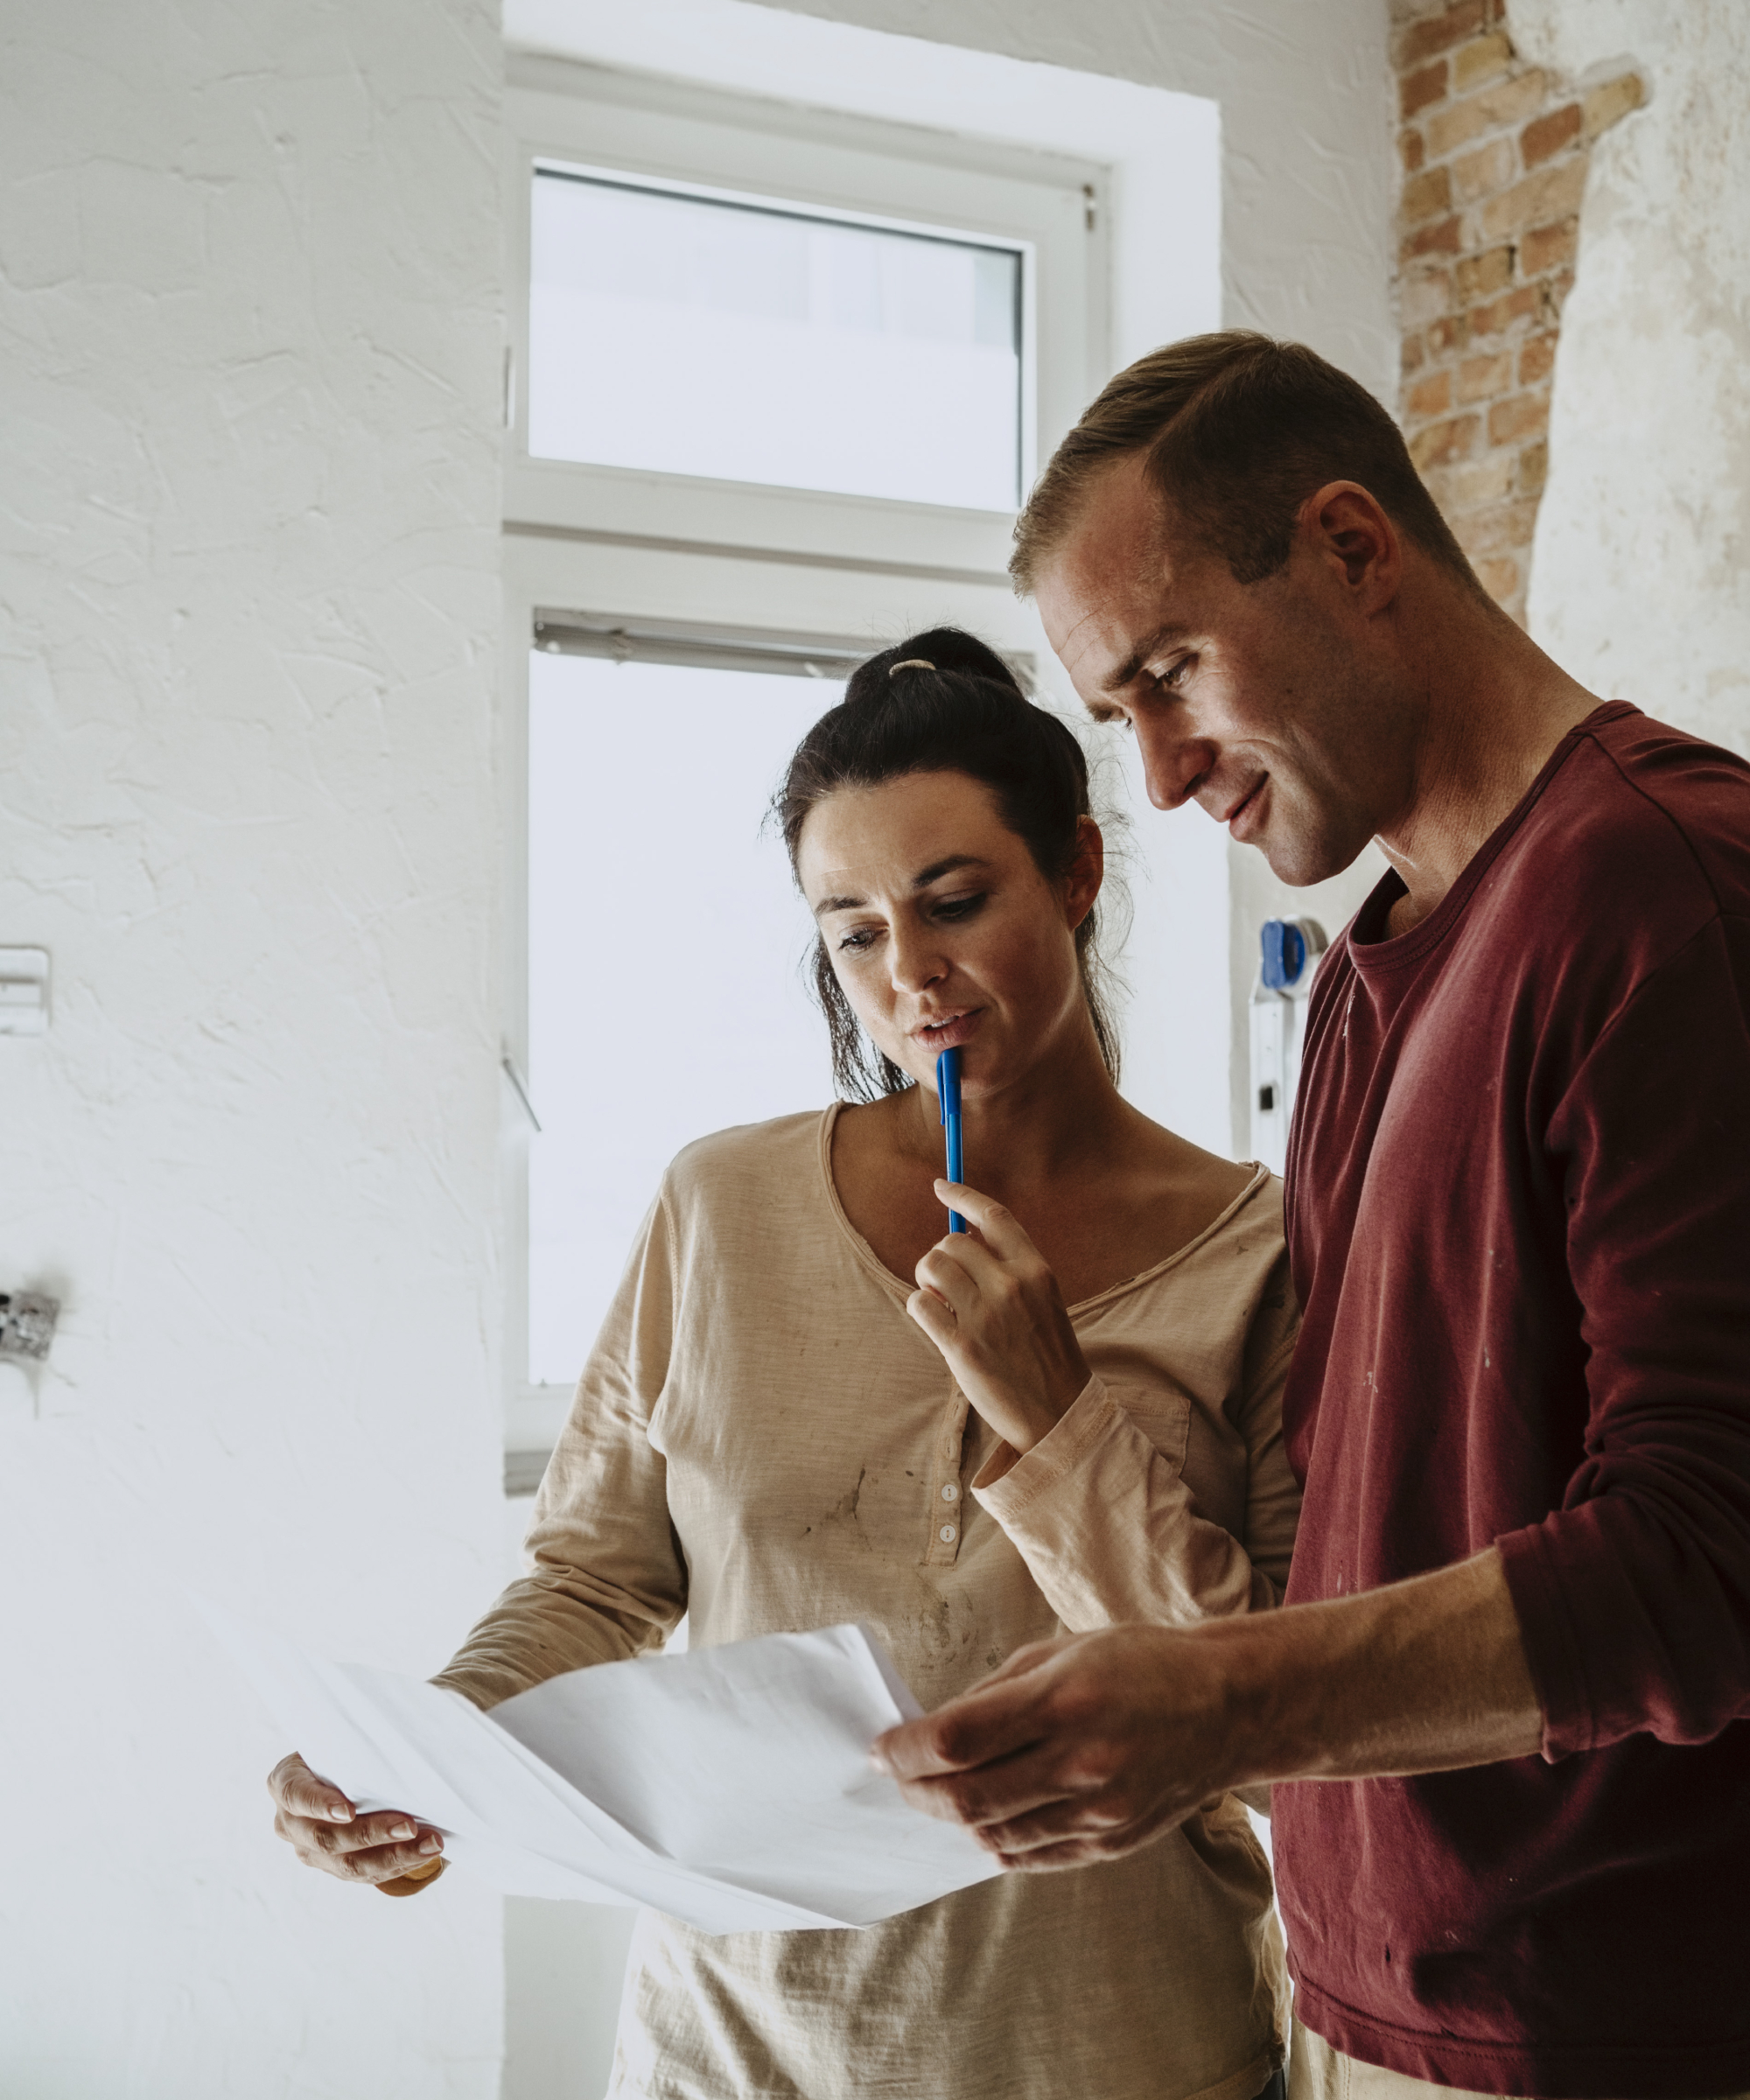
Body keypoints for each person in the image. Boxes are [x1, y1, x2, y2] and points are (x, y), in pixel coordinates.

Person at [872, 334, 1750, 2100]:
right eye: (1120, 720)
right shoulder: (1354, 987)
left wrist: (1227, 1705)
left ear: (1353, 550)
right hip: (1362, 2008)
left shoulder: (1669, 889)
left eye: (1171, 677)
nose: (1170, 776)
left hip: (1616, 2036)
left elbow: (1710, 1555)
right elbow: (1360, 1563)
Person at [267, 628, 1306, 2100]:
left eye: (955, 901)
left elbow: (1281, 1735)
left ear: (1077, 871)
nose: (913, 978)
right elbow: (596, 1578)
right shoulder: (720, 1205)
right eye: (855, 930)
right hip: (733, 2056)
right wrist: (424, 1757)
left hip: (1124, 2053)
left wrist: (1057, 1417)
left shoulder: (1257, 1250)